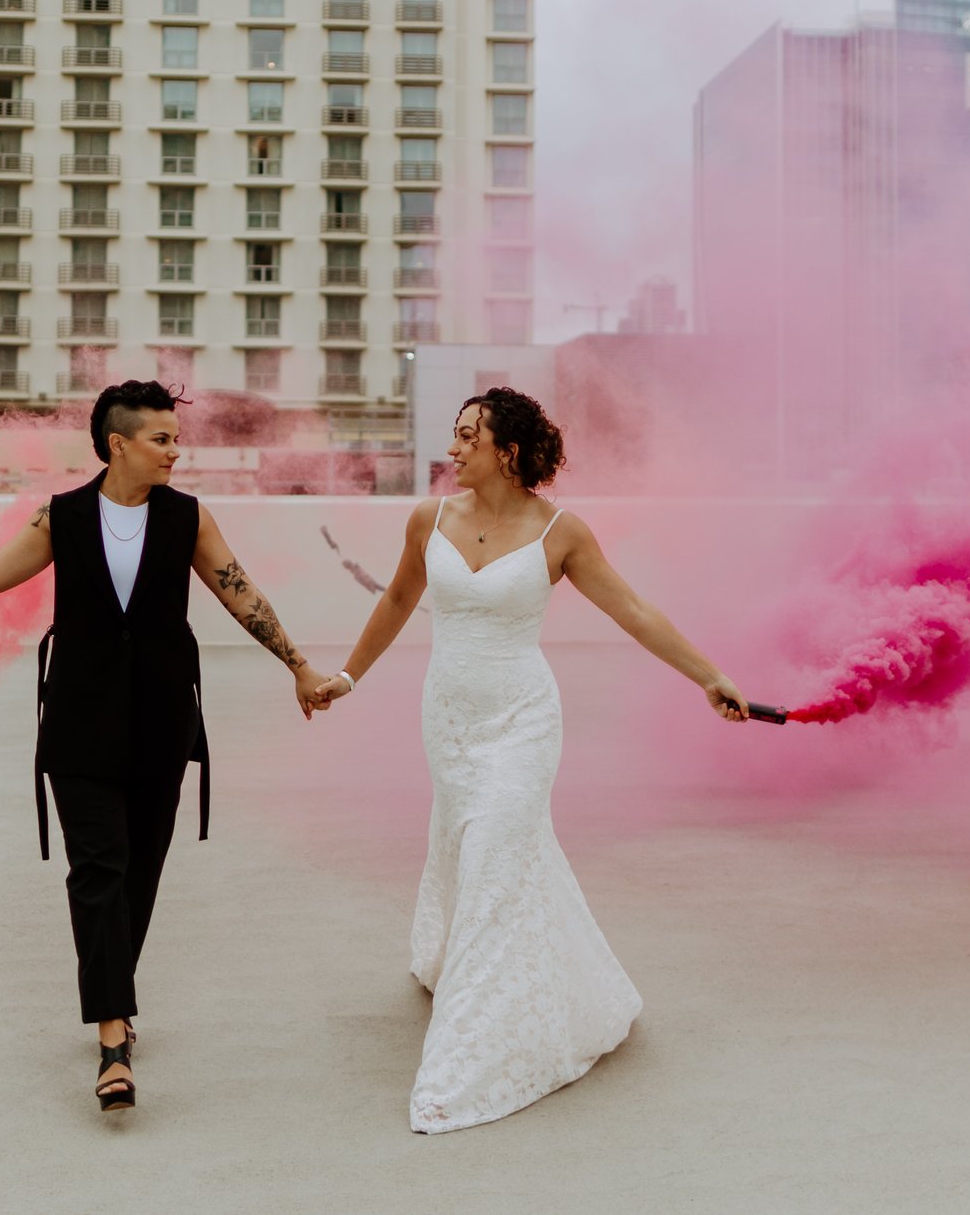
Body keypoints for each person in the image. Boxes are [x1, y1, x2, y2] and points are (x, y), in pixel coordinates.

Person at [306, 386, 759, 1133]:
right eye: (453, 436)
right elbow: (394, 601)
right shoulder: (430, 519)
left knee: (495, 849)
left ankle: (472, 1049)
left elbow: (634, 610)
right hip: (450, 721)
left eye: (465, 437)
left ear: (506, 450)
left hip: (523, 721)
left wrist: (710, 675)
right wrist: (346, 676)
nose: (451, 449)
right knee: (472, 846)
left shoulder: (561, 531)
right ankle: (513, 970)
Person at [0, 381, 330, 1113]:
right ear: (118, 443)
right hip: (80, 724)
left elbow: (242, 593)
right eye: (162, 439)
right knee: (99, 871)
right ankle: (113, 1038)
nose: (175, 450)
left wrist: (299, 665)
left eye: (176, 439)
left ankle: (116, 993)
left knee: (140, 875)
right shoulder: (62, 517)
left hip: (160, 722)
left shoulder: (187, 518)